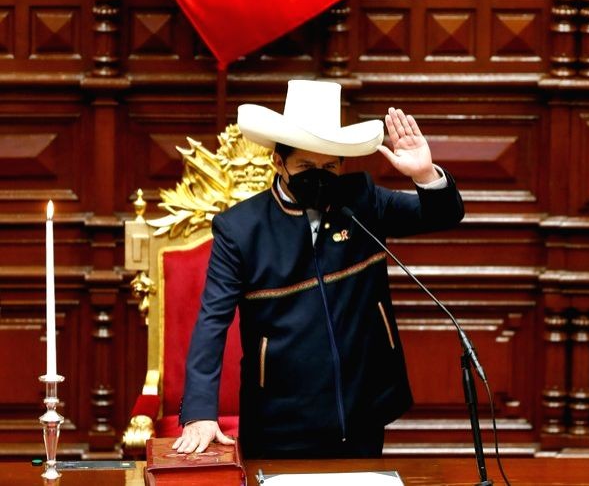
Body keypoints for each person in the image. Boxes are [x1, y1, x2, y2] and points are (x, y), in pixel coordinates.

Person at [172, 79, 465, 459]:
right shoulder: (241, 229)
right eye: (306, 166)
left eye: (329, 166)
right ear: (279, 163)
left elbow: (442, 214)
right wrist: (199, 411)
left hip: (363, 408)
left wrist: (425, 175)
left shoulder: (362, 200)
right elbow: (213, 320)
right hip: (279, 419)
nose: (319, 175)